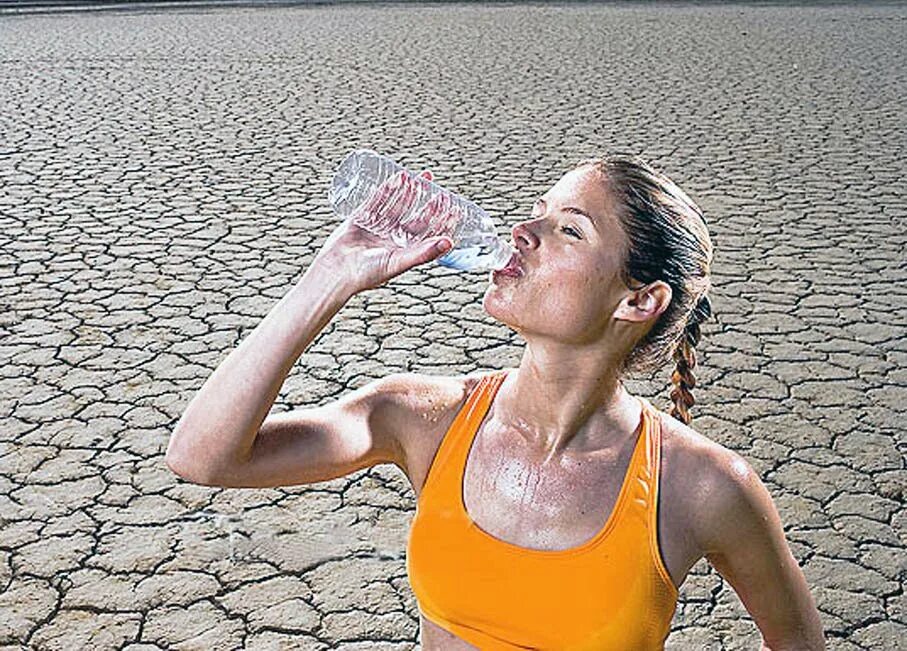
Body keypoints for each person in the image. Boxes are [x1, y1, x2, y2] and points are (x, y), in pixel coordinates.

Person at [165, 156, 825, 650]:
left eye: (567, 228)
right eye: (537, 210)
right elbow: (203, 456)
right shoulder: (422, 417)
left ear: (637, 300)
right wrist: (329, 278)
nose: (522, 230)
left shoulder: (701, 485)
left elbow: (797, 642)